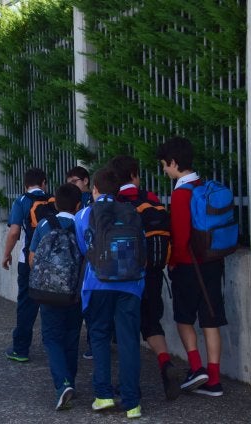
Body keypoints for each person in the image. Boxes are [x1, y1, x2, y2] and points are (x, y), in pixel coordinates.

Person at [156, 136, 227, 397]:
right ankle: (215, 380)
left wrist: (172, 263)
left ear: (174, 163)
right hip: (213, 262)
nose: (164, 170)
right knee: (211, 321)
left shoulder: (182, 193)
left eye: (165, 165)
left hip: (188, 266)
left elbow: (181, 235)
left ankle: (197, 368)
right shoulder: (205, 186)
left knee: (183, 319)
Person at [109, 154, 183, 400]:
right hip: (153, 271)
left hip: (126, 275)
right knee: (152, 323)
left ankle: (131, 384)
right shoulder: (150, 199)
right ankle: (165, 365)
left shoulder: (115, 201)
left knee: (127, 329)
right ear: (134, 175)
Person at [74, 167, 144, 419]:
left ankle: (103, 396)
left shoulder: (83, 215)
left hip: (97, 284)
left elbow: (84, 249)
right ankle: (132, 403)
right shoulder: (132, 212)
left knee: (100, 337)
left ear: (94, 189)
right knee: (128, 341)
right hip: (131, 285)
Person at [28, 183, 83, 410]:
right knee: (71, 336)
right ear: (79, 205)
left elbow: (32, 258)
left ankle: (63, 384)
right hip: (75, 292)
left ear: (55, 203)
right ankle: (70, 379)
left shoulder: (43, 224)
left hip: (49, 293)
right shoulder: (81, 224)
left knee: (51, 338)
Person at [2, 167, 48, 362]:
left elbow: (14, 232)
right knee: (51, 302)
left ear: (25, 184)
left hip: (29, 259)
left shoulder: (21, 201)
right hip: (54, 262)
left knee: (26, 305)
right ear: (44, 183)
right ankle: (52, 344)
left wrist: (6, 254)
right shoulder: (54, 199)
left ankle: (20, 349)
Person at [66, 165, 93, 360]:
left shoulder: (92, 201)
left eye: (75, 181)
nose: (73, 185)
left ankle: (93, 342)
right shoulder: (72, 199)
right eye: (69, 183)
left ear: (86, 181)